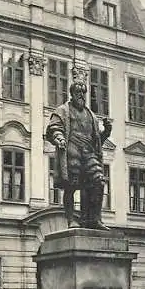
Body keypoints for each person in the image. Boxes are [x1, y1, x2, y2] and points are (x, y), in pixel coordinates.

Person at [45, 81, 113, 230]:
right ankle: (71, 220)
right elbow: (54, 128)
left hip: (89, 152)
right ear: (72, 94)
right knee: (70, 186)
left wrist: (106, 132)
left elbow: (97, 141)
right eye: (78, 92)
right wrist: (59, 138)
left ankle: (93, 219)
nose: (81, 95)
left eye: (83, 92)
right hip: (72, 151)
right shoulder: (63, 110)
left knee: (99, 182)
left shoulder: (91, 115)